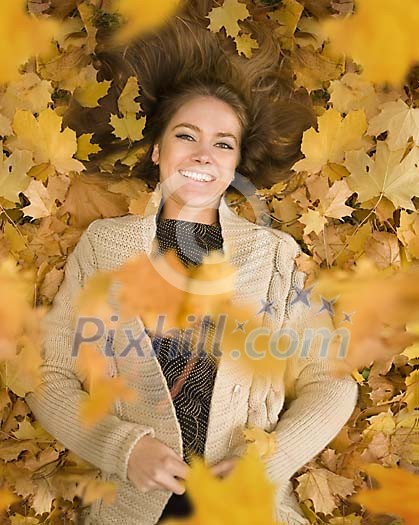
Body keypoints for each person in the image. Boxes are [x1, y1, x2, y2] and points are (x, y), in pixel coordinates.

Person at [25, 10, 358, 525]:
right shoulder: (104, 247)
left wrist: (271, 463)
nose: (204, 153)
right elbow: (50, 376)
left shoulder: (274, 256)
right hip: (132, 508)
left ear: (234, 163)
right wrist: (122, 449)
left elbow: (331, 381)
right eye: (187, 136)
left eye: (223, 143)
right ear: (157, 151)